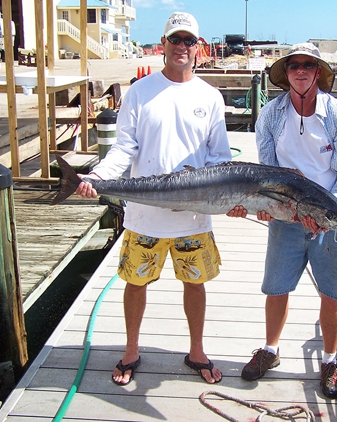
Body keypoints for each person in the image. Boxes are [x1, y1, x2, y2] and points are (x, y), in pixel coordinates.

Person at [76, 11, 231, 385]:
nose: (181, 47)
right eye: (174, 40)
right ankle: (131, 350)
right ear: (163, 45)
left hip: (194, 216)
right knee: (136, 282)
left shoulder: (210, 97)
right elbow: (124, 148)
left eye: (188, 41)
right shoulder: (140, 92)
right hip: (143, 215)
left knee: (196, 283)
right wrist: (98, 177)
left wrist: (229, 198)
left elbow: (220, 159)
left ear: (198, 48)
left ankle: (196, 351)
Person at [228, 43, 337, 399]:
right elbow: (268, 175)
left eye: (308, 65)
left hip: (333, 215)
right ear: (286, 74)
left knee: (333, 293)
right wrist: (260, 206)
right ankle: (270, 350)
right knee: (276, 287)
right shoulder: (270, 115)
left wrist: (322, 214)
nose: (300, 70)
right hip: (285, 216)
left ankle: (329, 360)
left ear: (318, 72)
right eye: (293, 65)